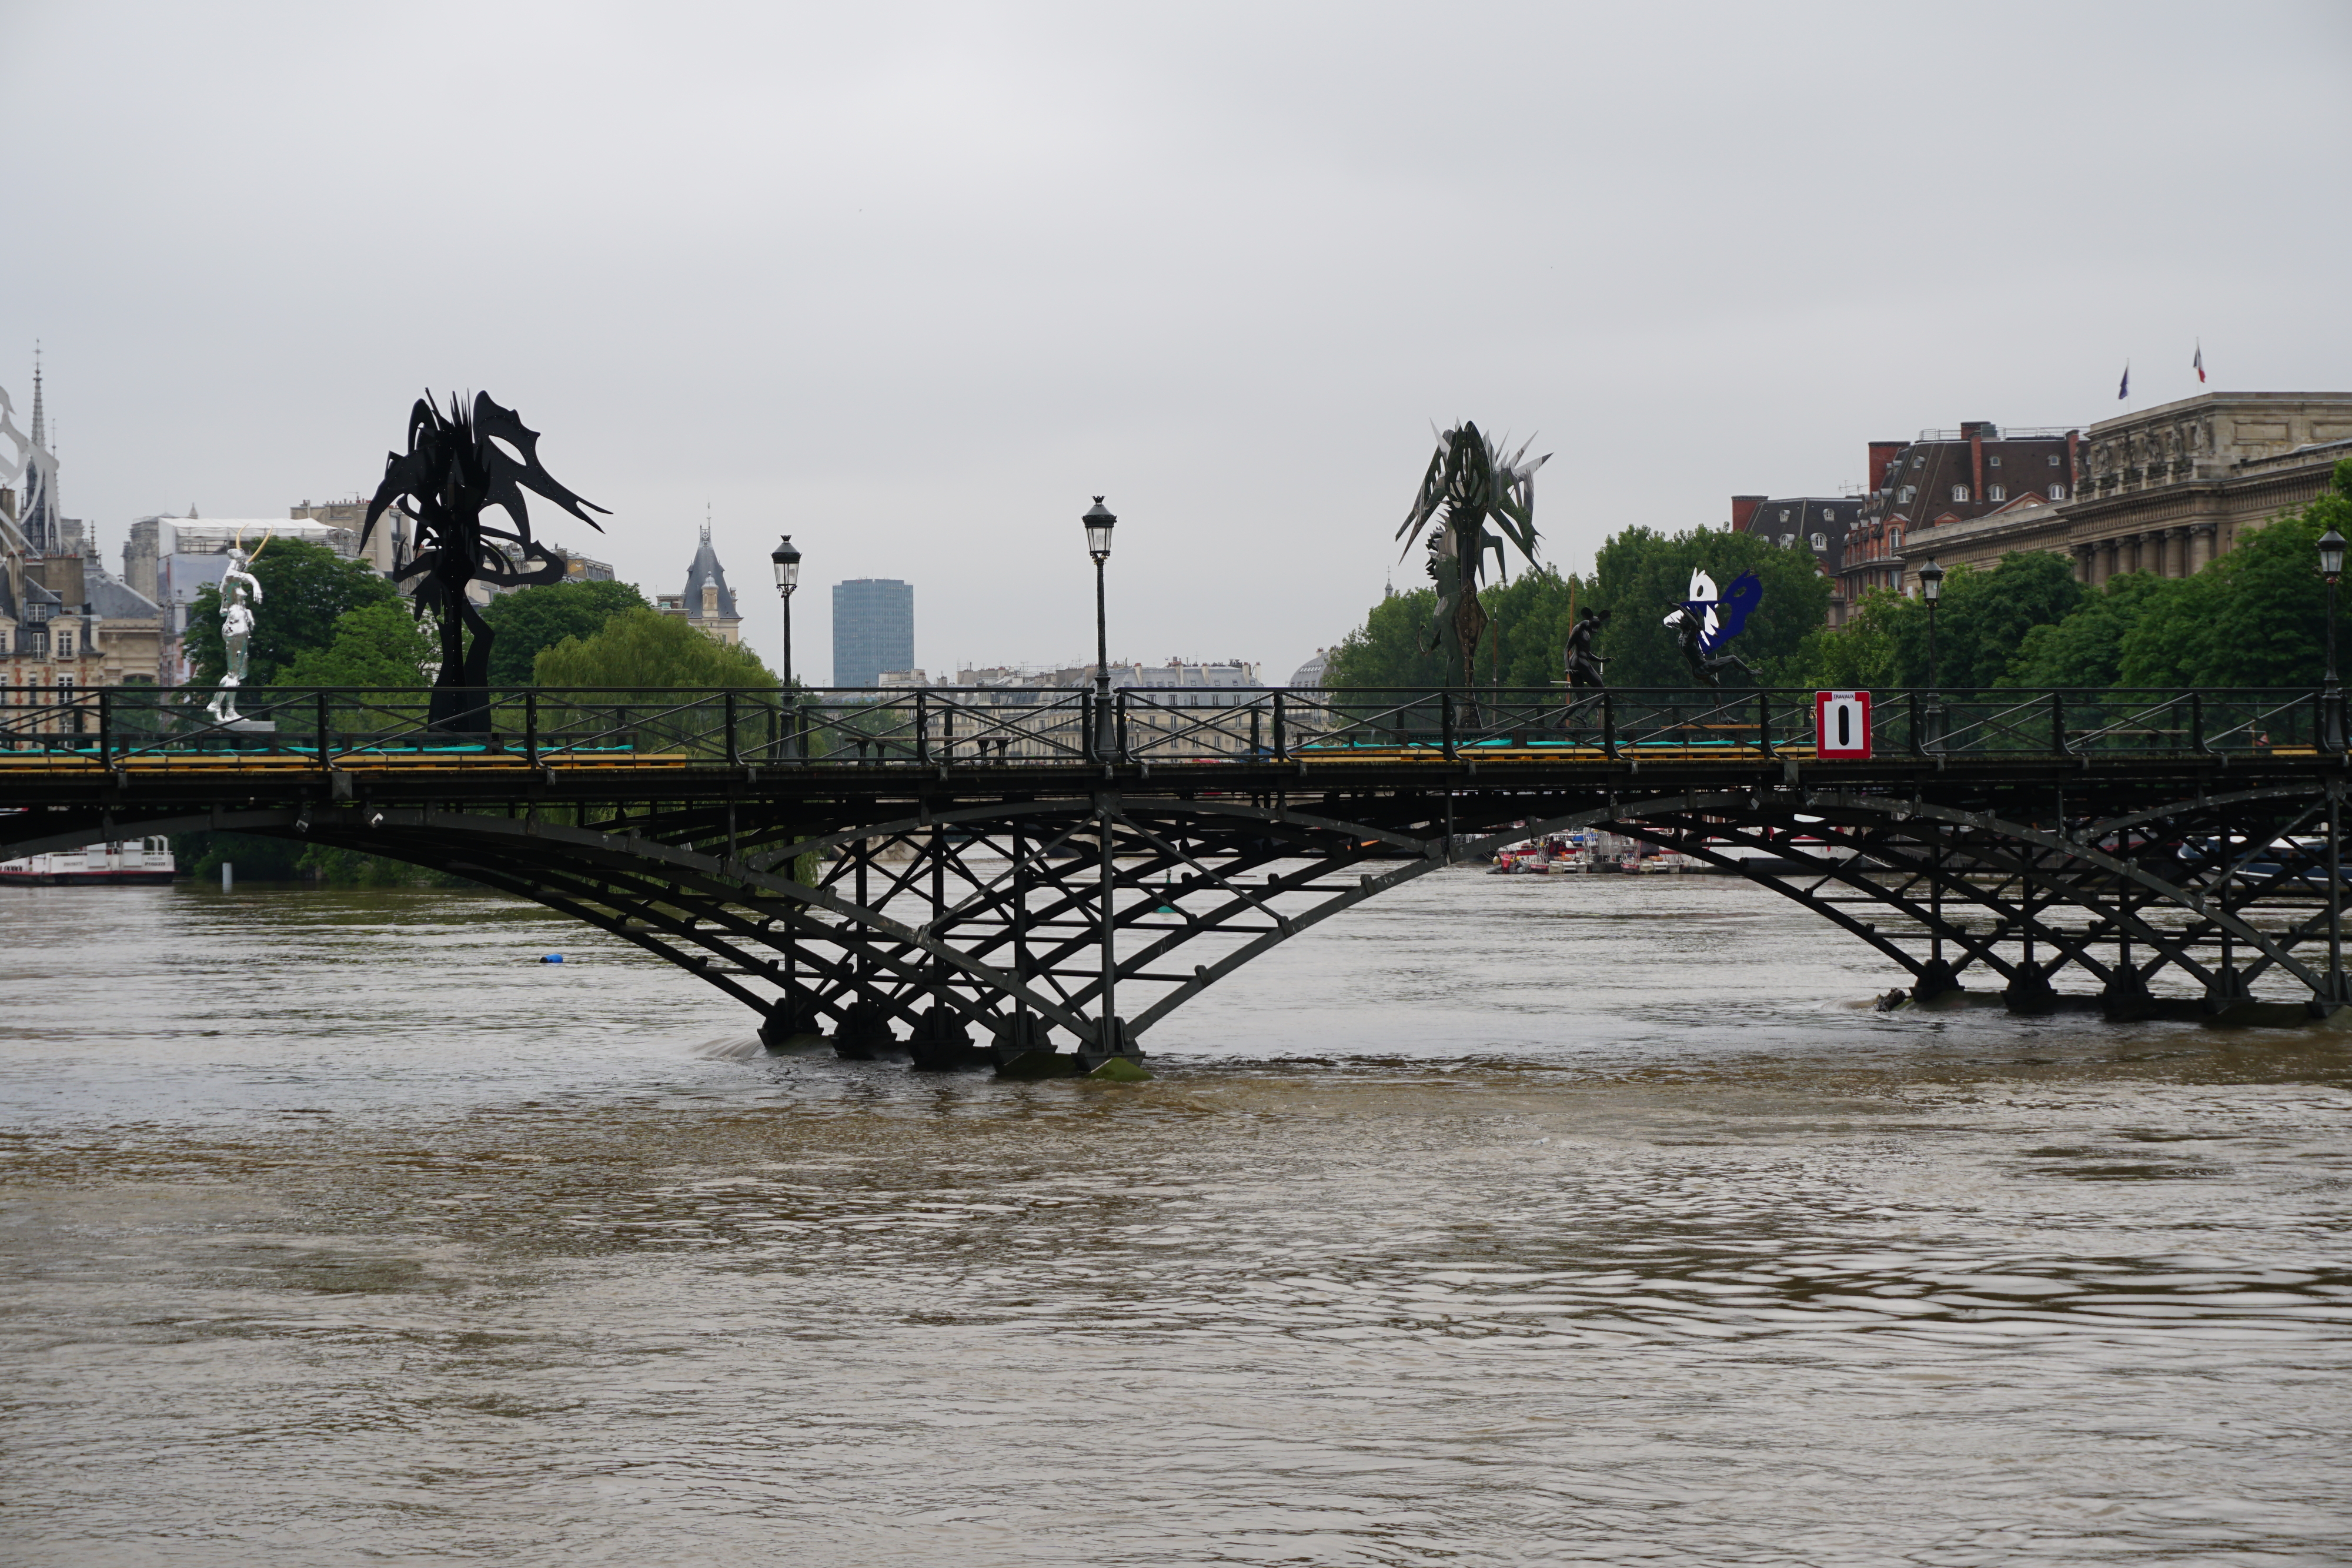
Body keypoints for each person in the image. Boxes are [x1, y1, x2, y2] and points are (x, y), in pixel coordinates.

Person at [205, 544, 265, 723]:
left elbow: (229, 607)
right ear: (237, 560)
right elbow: (246, 577)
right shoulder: (231, 575)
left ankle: (220, 706)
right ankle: (225, 709)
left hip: (239, 624)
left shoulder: (233, 579)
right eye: (242, 560)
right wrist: (256, 585)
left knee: (238, 673)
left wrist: (248, 613)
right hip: (236, 627)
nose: (243, 563)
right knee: (235, 674)